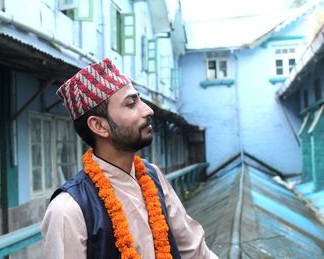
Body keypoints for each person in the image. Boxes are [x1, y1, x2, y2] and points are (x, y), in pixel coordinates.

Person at [41, 58, 217, 259]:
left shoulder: (153, 177)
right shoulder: (68, 210)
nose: (148, 110)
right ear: (99, 126)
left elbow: (195, 252)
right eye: (131, 104)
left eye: (140, 100)